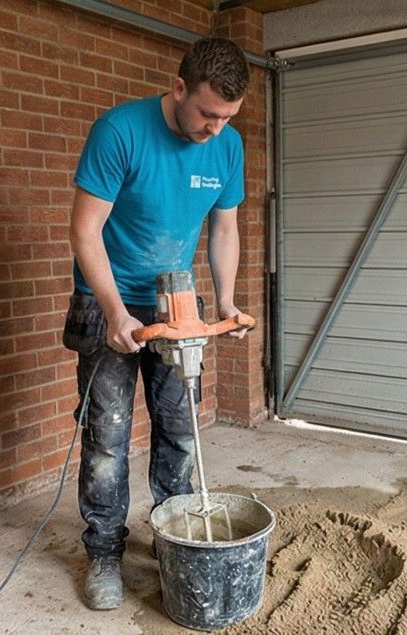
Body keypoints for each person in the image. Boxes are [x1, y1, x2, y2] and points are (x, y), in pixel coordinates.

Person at [63, 36, 251, 610]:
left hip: (178, 304)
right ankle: (102, 555)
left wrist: (224, 304)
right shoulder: (119, 131)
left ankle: (176, 538)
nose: (215, 129)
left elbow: (223, 229)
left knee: (180, 429)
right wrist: (116, 310)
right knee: (108, 439)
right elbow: (84, 229)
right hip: (108, 301)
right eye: (207, 114)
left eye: (227, 118)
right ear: (178, 88)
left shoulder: (227, 146)